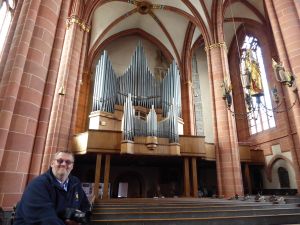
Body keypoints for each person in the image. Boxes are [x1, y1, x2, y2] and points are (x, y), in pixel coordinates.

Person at [14, 150, 91, 225]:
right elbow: (45, 220)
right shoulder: (38, 185)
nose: (64, 164)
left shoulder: (75, 182)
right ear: (52, 163)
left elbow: (85, 206)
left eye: (68, 162)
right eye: (60, 161)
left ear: (72, 166)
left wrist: (79, 220)